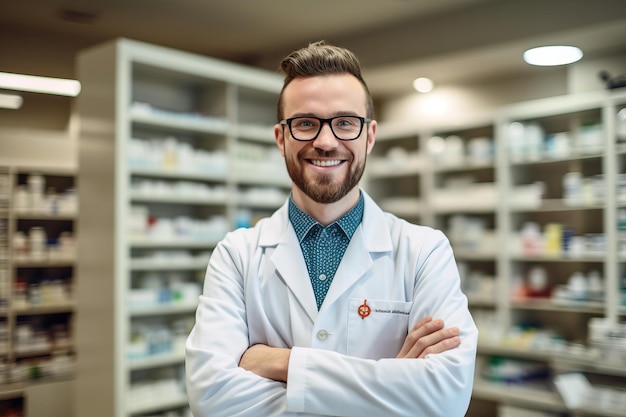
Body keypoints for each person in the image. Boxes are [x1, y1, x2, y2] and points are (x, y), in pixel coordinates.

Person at [185, 40, 478, 417]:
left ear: (369, 136)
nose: (325, 142)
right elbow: (213, 400)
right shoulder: (236, 255)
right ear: (281, 138)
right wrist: (396, 380)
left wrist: (279, 364)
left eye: (345, 123)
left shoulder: (424, 251)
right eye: (305, 123)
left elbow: (445, 398)